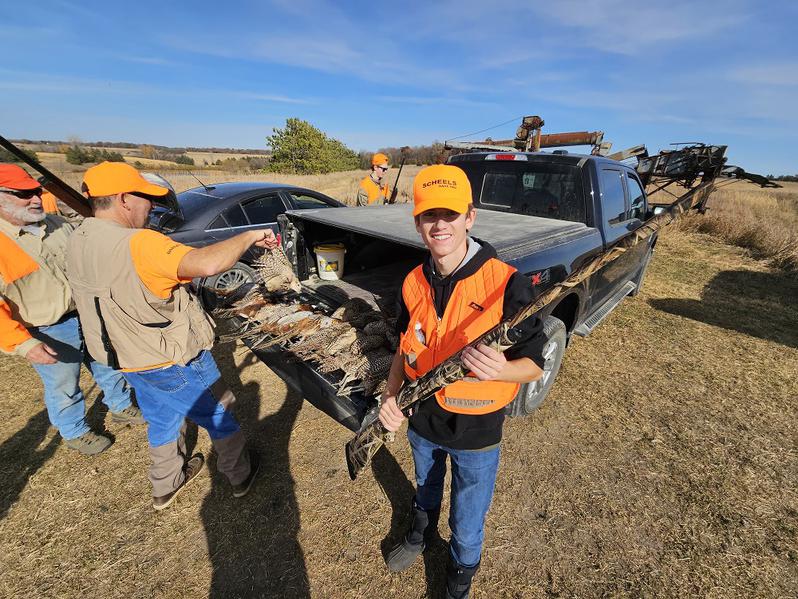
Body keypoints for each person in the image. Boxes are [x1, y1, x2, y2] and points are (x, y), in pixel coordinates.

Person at [65, 161, 279, 510]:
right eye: (146, 199)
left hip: (128, 358)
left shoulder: (80, 237)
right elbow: (207, 264)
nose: (150, 207)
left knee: (162, 416)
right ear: (123, 199)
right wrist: (249, 235)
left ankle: (166, 484)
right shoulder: (140, 244)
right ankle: (239, 474)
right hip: (171, 358)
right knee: (219, 411)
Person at [378, 165, 547, 598]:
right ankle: (419, 533)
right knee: (426, 486)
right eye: (429, 215)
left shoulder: (507, 285)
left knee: (468, 518)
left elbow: (534, 364)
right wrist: (391, 394)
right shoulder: (412, 281)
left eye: (450, 214)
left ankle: (459, 577)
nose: (440, 225)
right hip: (422, 421)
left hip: (477, 430)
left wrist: (503, 370)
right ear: (417, 223)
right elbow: (403, 347)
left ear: (469, 217)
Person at [0, 163, 141, 455]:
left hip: (88, 312)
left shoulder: (60, 225)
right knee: (63, 383)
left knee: (107, 362)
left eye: (36, 192)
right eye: (23, 194)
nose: (35, 199)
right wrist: (24, 344)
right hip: (46, 328)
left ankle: (121, 405)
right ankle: (75, 430)